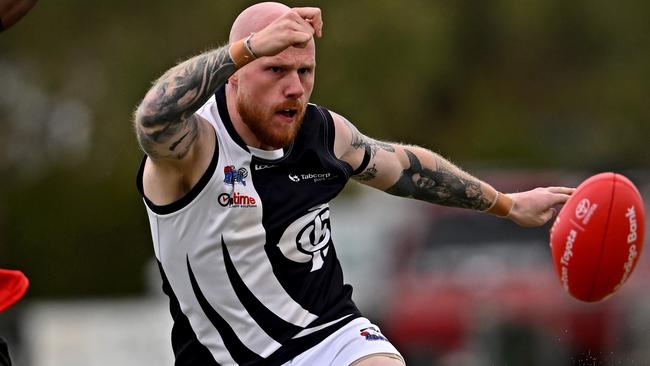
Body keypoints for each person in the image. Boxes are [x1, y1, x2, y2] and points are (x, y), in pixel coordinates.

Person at [133, 2, 574, 365]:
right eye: (275, 70)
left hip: (331, 335)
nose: (294, 88)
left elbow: (405, 168)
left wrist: (507, 205)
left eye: (304, 71)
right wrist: (246, 47)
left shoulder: (322, 133)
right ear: (236, 72)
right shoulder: (193, 148)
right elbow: (152, 118)